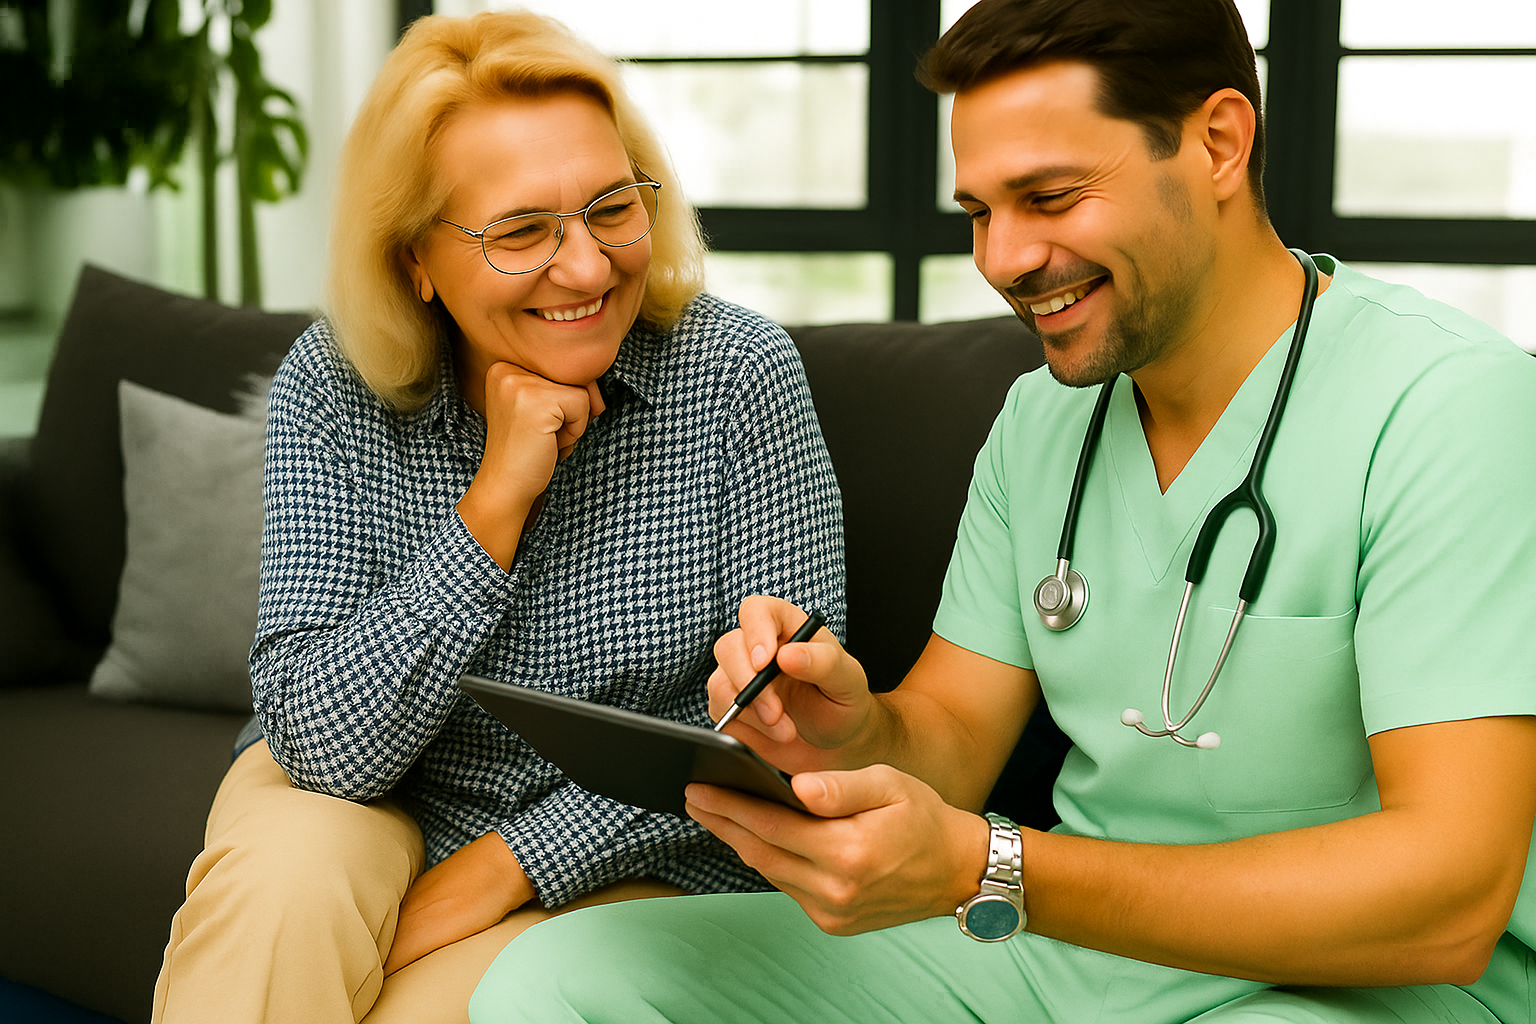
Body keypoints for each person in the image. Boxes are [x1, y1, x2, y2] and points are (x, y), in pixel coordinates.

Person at [466, 1, 1536, 1021]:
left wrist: (994, 864)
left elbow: (1446, 898)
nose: (1004, 259)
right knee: (559, 980)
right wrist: (846, 728)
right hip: (1067, 959)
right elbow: (953, 742)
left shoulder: (1449, 405)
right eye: (981, 211)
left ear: (1218, 142)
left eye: (1053, 197)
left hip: (1350, 987)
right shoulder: (1042, 419)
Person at [149, 10, 844, 1024]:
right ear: (414, 261)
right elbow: (319, 742)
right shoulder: (332, 387)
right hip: (371, 795)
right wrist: (492, 508)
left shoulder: (738, 377)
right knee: (277, 889)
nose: (589, 268)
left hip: (637, 850)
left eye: (613, 208)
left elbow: (783, 730)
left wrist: (512, 861)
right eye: (522, 231)